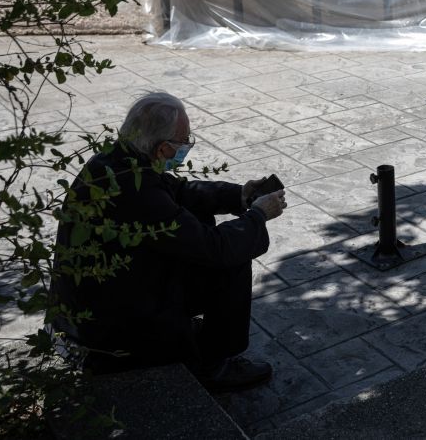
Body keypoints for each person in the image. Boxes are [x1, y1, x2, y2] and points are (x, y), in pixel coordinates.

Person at [49, 92, 286, 392]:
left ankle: (186, 333)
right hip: (112, 325)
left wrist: (238, 195)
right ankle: (213, 366)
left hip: (106, 297)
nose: (186, 146)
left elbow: (180, 192)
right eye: (184, 141)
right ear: (162, 148)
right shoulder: (137, 191)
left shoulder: (118, 160)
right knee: (231, 258)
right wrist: (258, 215)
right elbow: (215, 248)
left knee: (202, 221)